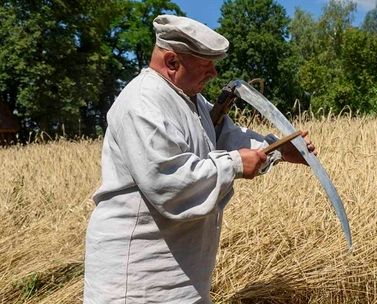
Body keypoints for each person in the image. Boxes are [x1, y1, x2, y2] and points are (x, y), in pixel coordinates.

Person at [83, 15, 315, 303]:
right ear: (172, 63)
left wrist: (278, 149)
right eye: (206, 65)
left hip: (180, 275)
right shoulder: (143, 102)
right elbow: (169, 182)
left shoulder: (191, 100)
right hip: (139, 278)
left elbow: (228, 135)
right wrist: (236, 164)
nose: (215, 73)